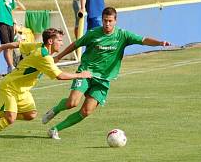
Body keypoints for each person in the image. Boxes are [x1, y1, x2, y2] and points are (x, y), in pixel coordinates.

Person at [42, 7, 171, 140]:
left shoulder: (123, 35)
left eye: (110, 21)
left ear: (115, 21)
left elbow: (143, 40)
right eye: (105, 21)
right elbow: (76, 44)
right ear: (102, 20)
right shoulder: (93, 33)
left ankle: (55, 130)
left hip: (103, 80)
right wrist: (58, 57)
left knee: (86, 111)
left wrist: (160, 43)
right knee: (72, 103)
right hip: (86, 73)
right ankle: (55, 110)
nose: (107, 24)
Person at [0, 28, 92, 147]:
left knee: (31, 115)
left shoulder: (39, 46)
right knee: (10, 119)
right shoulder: (43, 57)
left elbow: (18, 44)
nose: (62, 43)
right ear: (50, 41)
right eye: (59, 40)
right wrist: (80, 75)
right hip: (10, 87)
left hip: (23, 90)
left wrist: (1, 47)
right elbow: (60, 76)